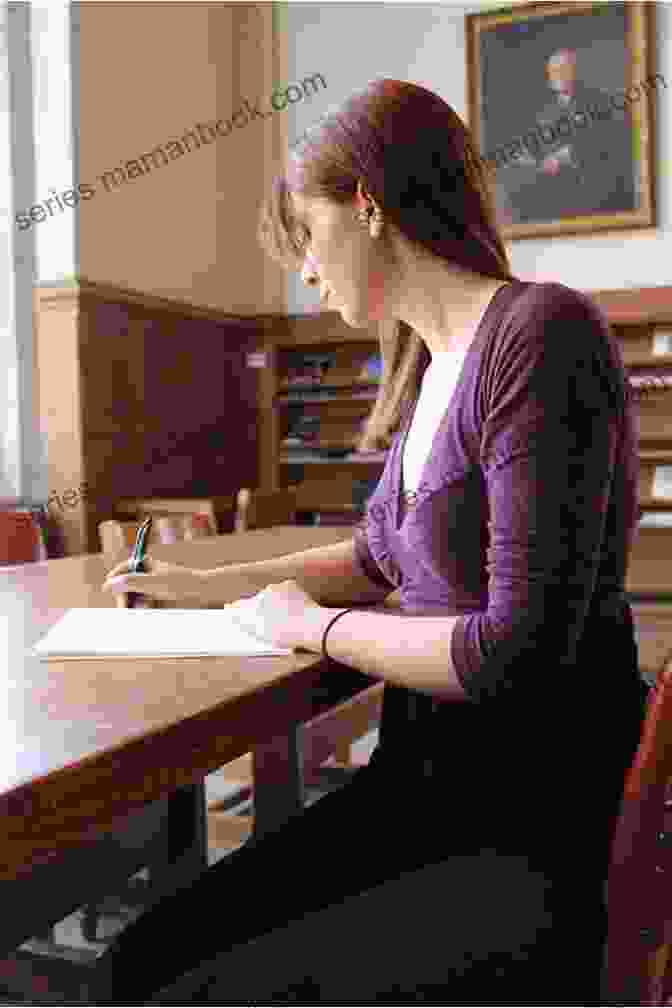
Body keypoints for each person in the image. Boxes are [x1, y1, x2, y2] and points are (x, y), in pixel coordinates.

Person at [101, 78, 648, 1005]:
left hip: (527, 817)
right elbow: (373, 559)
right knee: (144, 956)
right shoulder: (431, 364)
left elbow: (504, 652)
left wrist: (306, 630)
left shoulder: (541, 333)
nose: (305, 273)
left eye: (307, 241)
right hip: (431, 779)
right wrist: (205, 583)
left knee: (182, 984)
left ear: (367, 203)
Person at [504, 48, 636, 223]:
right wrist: (526, 156)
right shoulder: (544, 111)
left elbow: (608, 144)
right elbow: (536, 145)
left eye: (564, 69)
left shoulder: (599, 102)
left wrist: (563, 157)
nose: (558, 75)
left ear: (576, 71)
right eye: (553, 71)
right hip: (553, 189)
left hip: (592, 188)